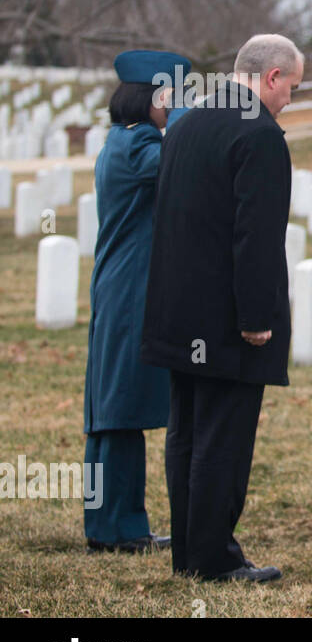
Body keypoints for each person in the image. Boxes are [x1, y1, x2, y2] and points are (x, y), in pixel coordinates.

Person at [140, 34, 302, 583]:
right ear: (272, 77)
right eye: (292, 90)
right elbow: (255, 237)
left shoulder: (186, 123)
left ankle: (187, 551)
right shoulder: (259, 135)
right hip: (227, 318)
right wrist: (258, 318)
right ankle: (212, 561)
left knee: (185, 433)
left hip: (180, 312)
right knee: (222, 440)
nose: (289, 103)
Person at [82, 50, 191, 554]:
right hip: (129, 291)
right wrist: (189, 114)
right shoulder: (138, 146)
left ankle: (120, 524)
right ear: (156, 97)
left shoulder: (124, 141)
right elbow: (181, 159)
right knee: (118, 411)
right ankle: (115, 529)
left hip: (123, 285)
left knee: (117, 412)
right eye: (173, 95)